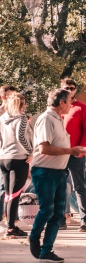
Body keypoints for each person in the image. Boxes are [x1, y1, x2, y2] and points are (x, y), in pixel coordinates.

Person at [29, 89, 86, 262]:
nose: (72, 103)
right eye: (70, 100)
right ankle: (33, 237)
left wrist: (76, 151)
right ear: (61, 102)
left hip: (60, 173)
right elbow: (44, 148)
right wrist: (71, 150)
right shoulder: (47, 119)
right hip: (45, 172)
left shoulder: (58, 119)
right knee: (47, 210)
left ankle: (46, 251)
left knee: (58, 214)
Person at [61, 79, 86, 232]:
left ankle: (85, 220)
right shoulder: (59, 108)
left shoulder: (82, 108)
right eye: (66, 88)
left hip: (75, 154)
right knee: (61, 187)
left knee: (79, 187)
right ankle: (61, 218)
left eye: (72, 88)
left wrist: (82, 149)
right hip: (60, 154)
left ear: (75, 90)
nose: (69, 90)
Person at [0, 93, 33, 237]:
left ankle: (9, 225)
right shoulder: (22, 118)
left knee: (8, 194)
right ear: (21, 104)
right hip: (18, 157)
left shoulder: (3, 118)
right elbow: (21, 137)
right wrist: (30, 152)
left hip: (4, 157)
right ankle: (11, 228)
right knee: (15, 194)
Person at [0, 85, 17, 230]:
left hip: (9, 153)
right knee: (3, 188)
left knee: (9, 188)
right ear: (3, 97)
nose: (14, 99)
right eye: (11, 96)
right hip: (4, 153)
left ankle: (10, 218)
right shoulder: (1, 113)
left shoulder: (16, 113)